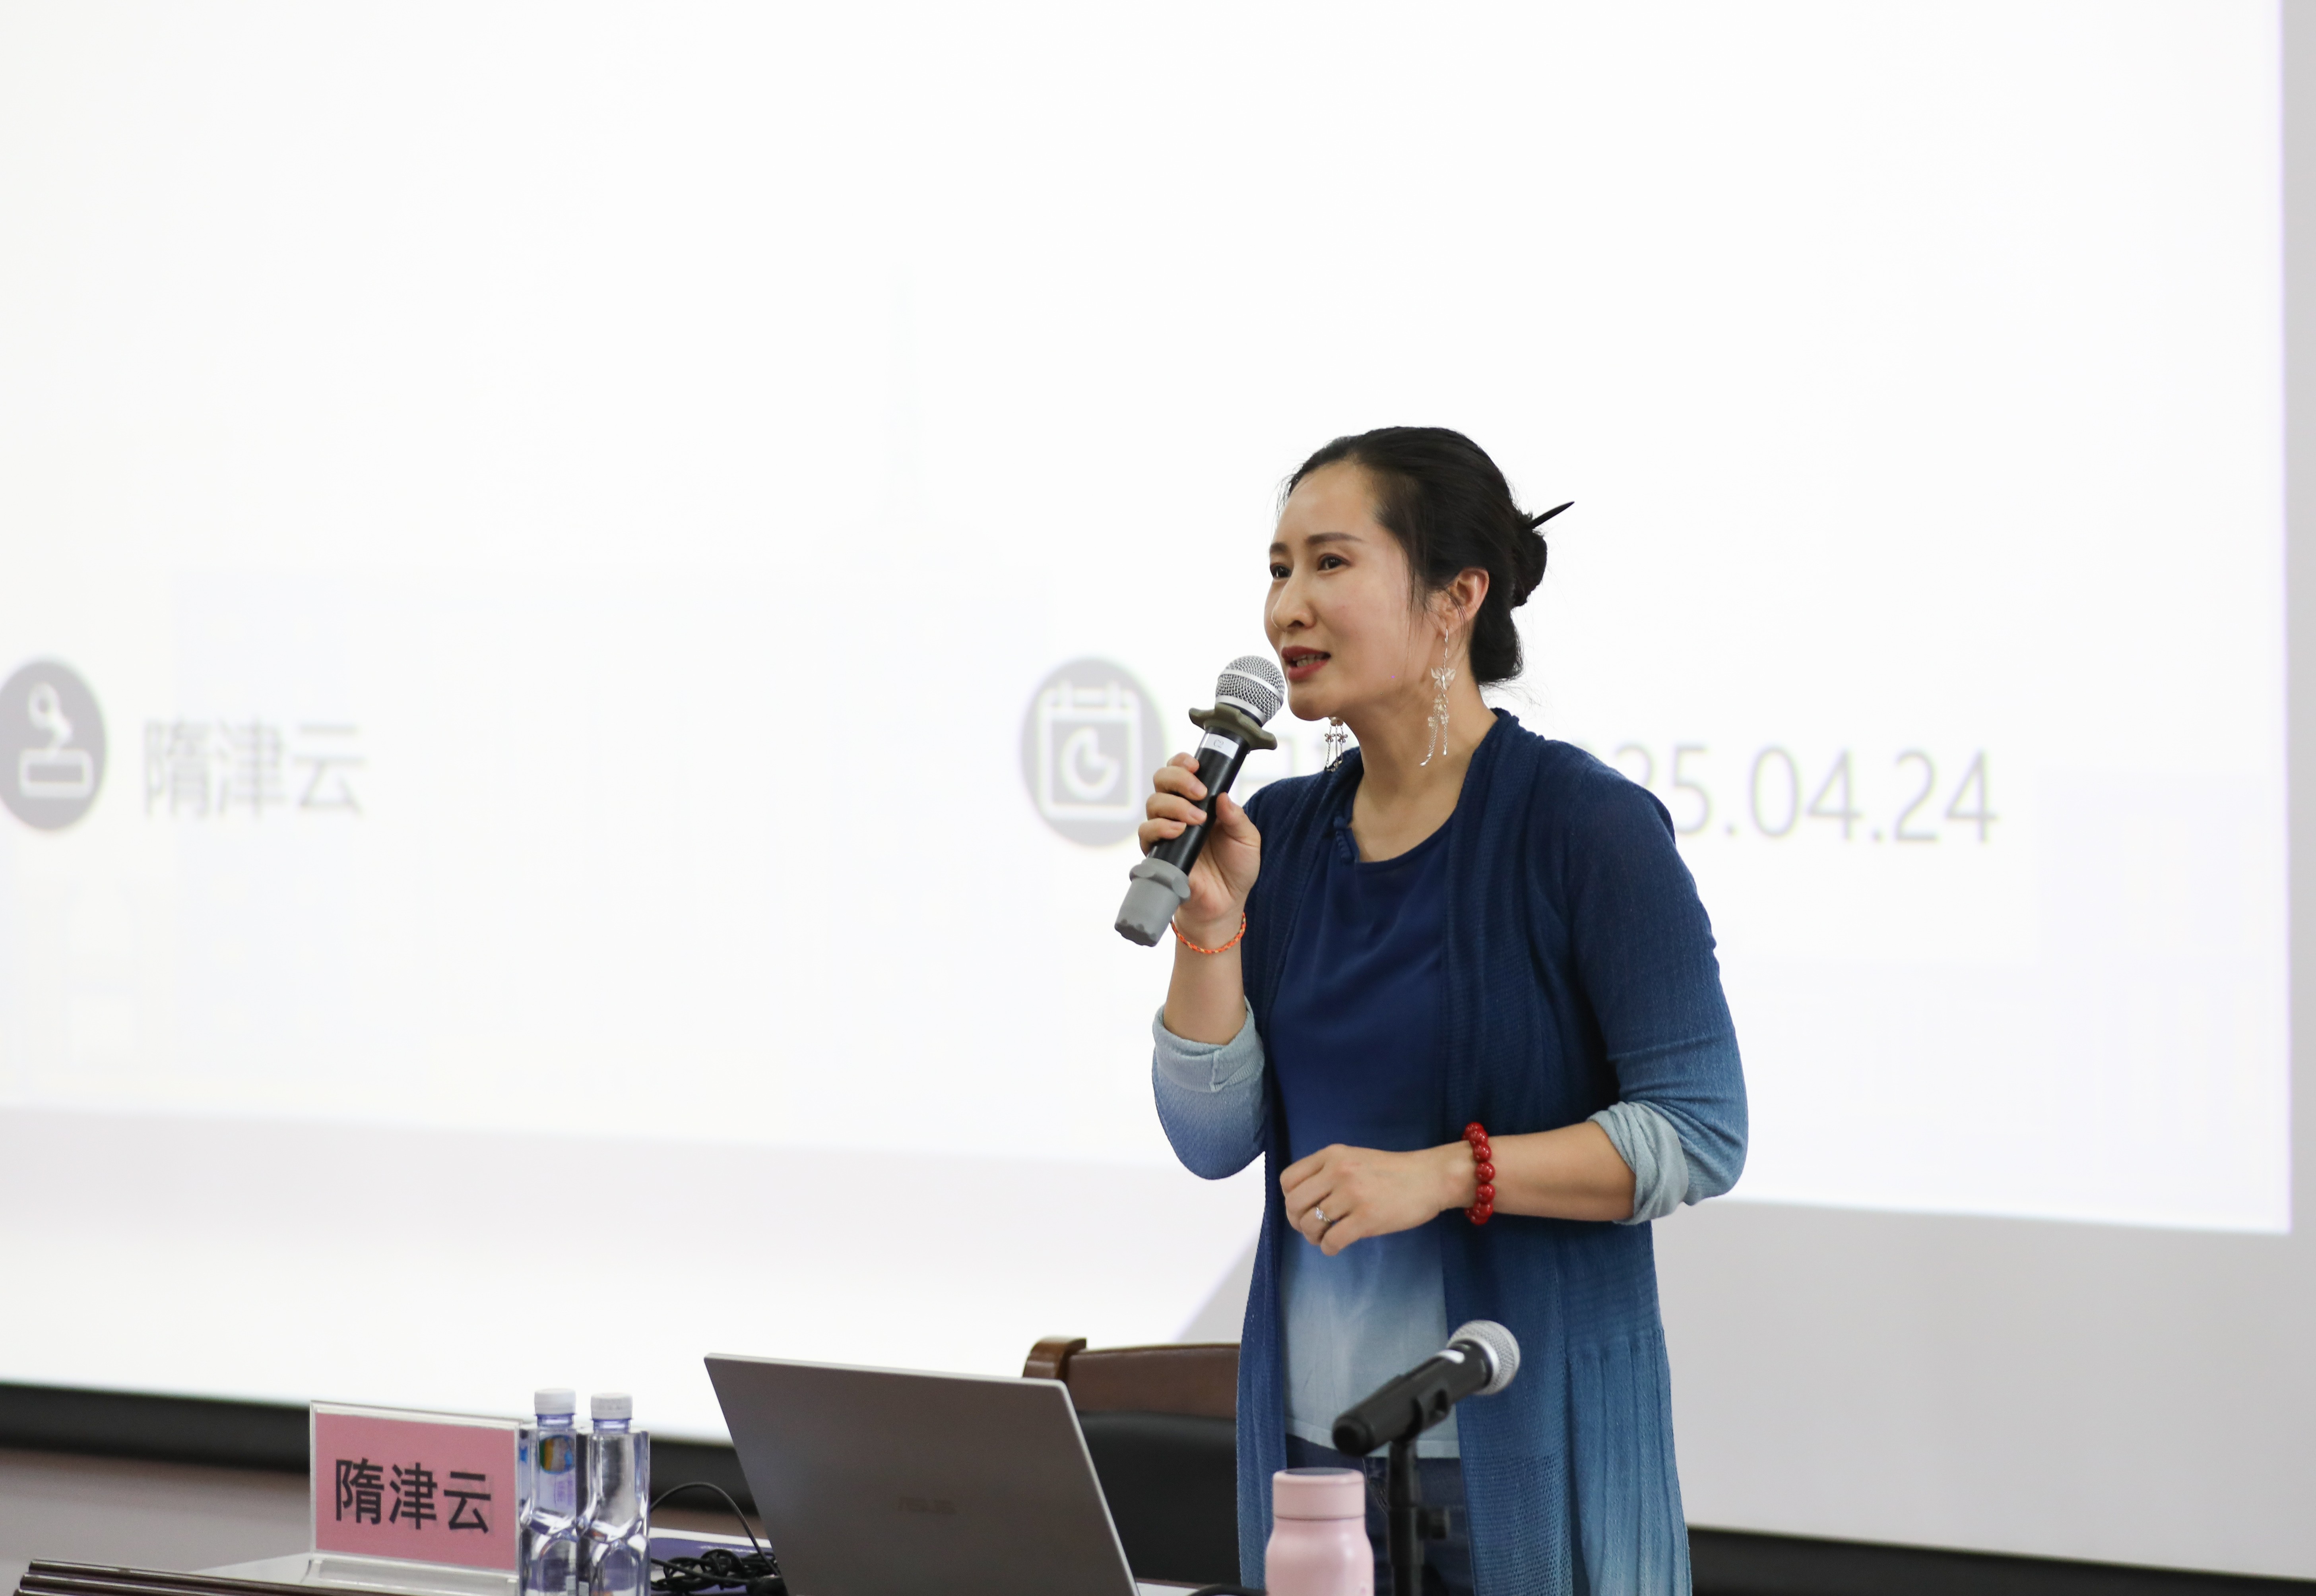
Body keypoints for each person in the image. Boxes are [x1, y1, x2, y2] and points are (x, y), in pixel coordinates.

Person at [1143, 427, 1747, 1596]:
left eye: (1330, 563)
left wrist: (1439, 1175)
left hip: (1514, 1454)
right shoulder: (1282, 833)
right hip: (1313, 1459)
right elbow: (1212, 1142)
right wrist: (1211, 928)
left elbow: (1701, 1132)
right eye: (1278, 569)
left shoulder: (1584, 828)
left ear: (1456, 599)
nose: (1287, 607)